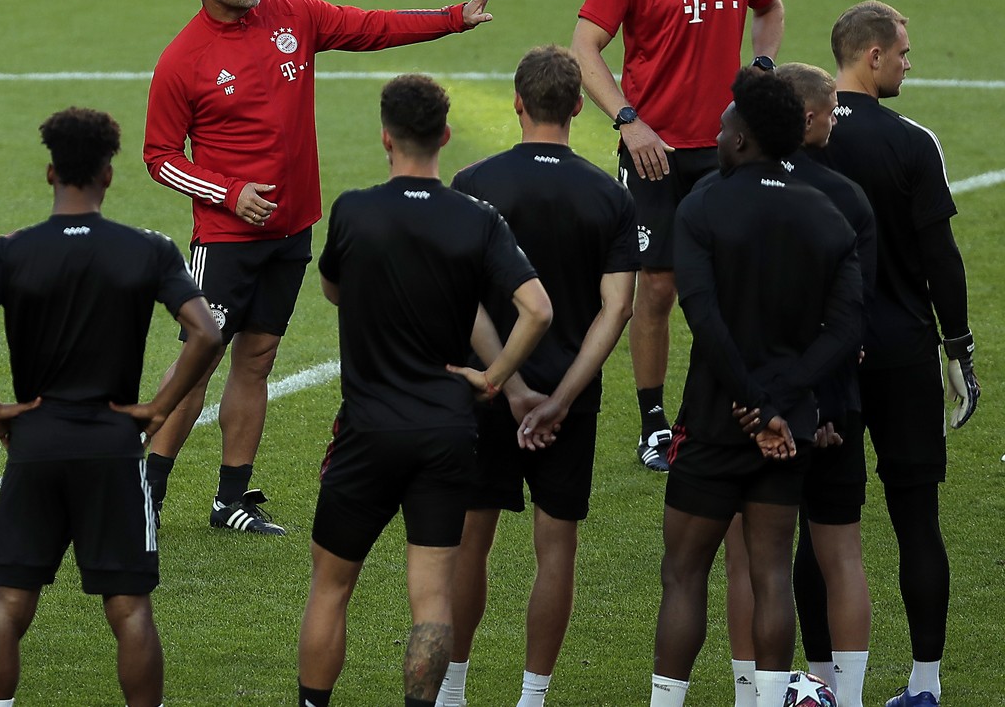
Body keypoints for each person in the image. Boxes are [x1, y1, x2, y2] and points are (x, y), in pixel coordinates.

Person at [143, 0, 499, 533]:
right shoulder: (183, 60)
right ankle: (144, 490)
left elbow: (371, 26)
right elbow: (159, 157)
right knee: (197, 364)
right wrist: (229, 194)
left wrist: (454, 16)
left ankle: (230, 498)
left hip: (290, 234)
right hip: (224, 242)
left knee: (258, 360)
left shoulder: (294, 17)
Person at [0, 108, 222, 707]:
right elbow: (207, 333)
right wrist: (155, 410)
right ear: (108, 175)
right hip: (113, 448)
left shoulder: (7, 251)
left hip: (36, 444)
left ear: (50, 172)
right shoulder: (148, 250)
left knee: (10, 604)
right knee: (129, 609)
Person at [297, 74, 552, 707]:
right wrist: (494, 378)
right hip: (445, 430)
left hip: (365, 431)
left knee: (331, 587)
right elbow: (538, 310)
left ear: (386, 135)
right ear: (444, 134)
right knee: (432, 597)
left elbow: (332, 287)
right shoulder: (477, 219)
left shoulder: (354, 210)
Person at [649, 69, 861, 707]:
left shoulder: (704, 204)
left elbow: (702, 316)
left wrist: (751, 401)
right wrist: (782, 401)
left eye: (723, 125)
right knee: (772, 572)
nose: (716, 134)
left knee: (684, 574)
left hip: (717, 418)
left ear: (741, 140)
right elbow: (847, 326)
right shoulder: (828, 213)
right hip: (787, 428)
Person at [435, 46, 638, 707]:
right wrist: (562, 397)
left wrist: (506, 380)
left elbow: (460, 297)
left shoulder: (473, 181)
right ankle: (532, 698)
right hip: (567, 399)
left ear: (517, 102)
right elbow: (619, 308)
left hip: (486, 391)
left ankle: (453, 692)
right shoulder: (611, 193)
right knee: (558, 545)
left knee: (470, 539)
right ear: (579, 106)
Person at [572, 0, 784, 471]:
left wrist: (763, 69)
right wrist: (627, 120)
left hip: (730, 150)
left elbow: (768, 9)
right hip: (655, 153)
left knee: (733, 283)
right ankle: (653, 424)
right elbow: (586, 43)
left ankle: (722, 409)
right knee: (658, 288)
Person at [811, 2, 980, 707]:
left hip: (827, 360)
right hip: (905, 353)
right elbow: (942, 258)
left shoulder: (805, 137)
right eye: (904, 51)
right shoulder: (913, 141)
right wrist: (958, 348)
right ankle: (925, 685)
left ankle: (820, 685)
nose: (911, 61)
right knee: (917, 519)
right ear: (871, 56)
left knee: (821, 528)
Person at [717, 62, 877, 706]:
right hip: (831, 401)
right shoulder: (844, 196)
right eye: (833, 110)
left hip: (748, 408)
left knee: (749, 559)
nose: (838, 121)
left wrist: (756, 404)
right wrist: (827, 405)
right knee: (841, 552)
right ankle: (852, 697)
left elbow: (718, 311)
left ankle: (750, 694)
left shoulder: (726, 191)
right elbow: (848, 319)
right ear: (806, 117)